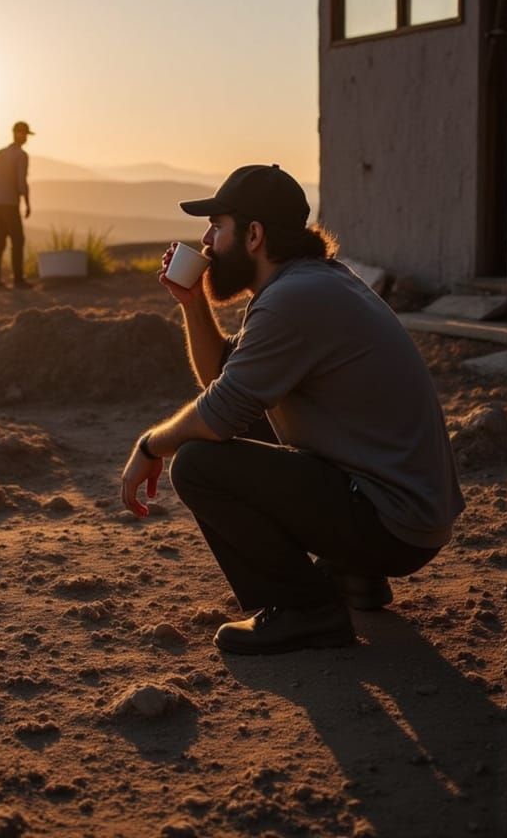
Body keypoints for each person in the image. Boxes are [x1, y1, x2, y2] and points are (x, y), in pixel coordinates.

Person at [120, 164, 463, 655]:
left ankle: (305, 610)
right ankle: (354, 575)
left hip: (395, 522)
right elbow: (225, 376)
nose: (207, 241)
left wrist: (150, 444)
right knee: (251, 414)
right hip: (405, 509)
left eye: (218, 226)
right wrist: (194, 304)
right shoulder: (309, 284)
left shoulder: (293, 300)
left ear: (254, 235)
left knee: (197, 463)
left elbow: (217, 413)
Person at [0, 121, 34, 289]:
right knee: (18, 240)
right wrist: (27, 203)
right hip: (10, 204)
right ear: (19, 134)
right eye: (25, 134)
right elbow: (21, 182)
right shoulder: (21, 156)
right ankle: (18, 280)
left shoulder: (0, 153)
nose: (26, 138)